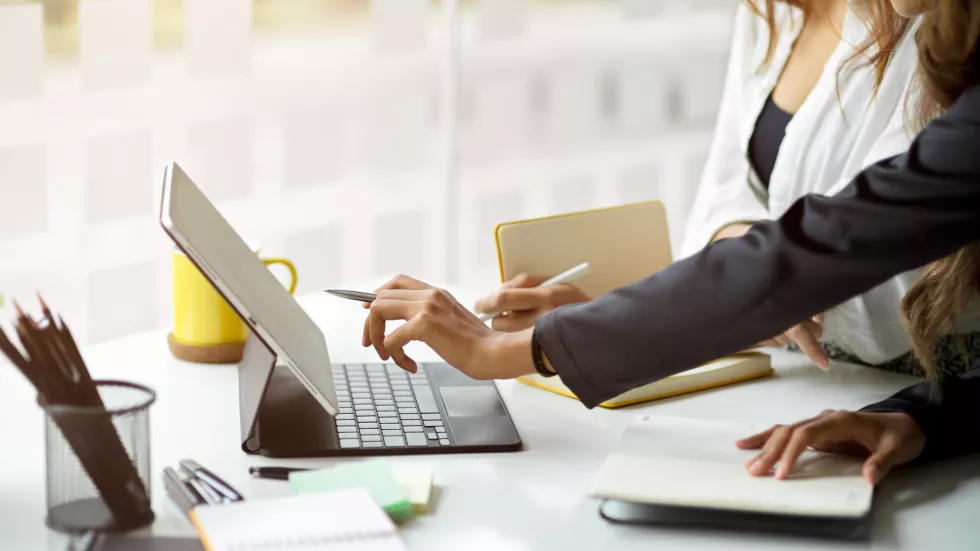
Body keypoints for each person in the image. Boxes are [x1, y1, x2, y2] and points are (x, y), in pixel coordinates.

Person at [362, 0, 980, 485]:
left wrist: (508, 349)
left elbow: (830, 248)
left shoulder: (937, 55)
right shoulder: (773, 13)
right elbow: (754, 220)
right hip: (837, 386)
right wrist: (924, 414)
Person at [471, 0, 980, 377]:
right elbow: (726, 191)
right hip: (789, 363)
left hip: (920, 381)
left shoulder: (937, 26)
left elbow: (878, 250)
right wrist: (741, 263)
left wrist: (559, 341)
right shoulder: (770, 10)